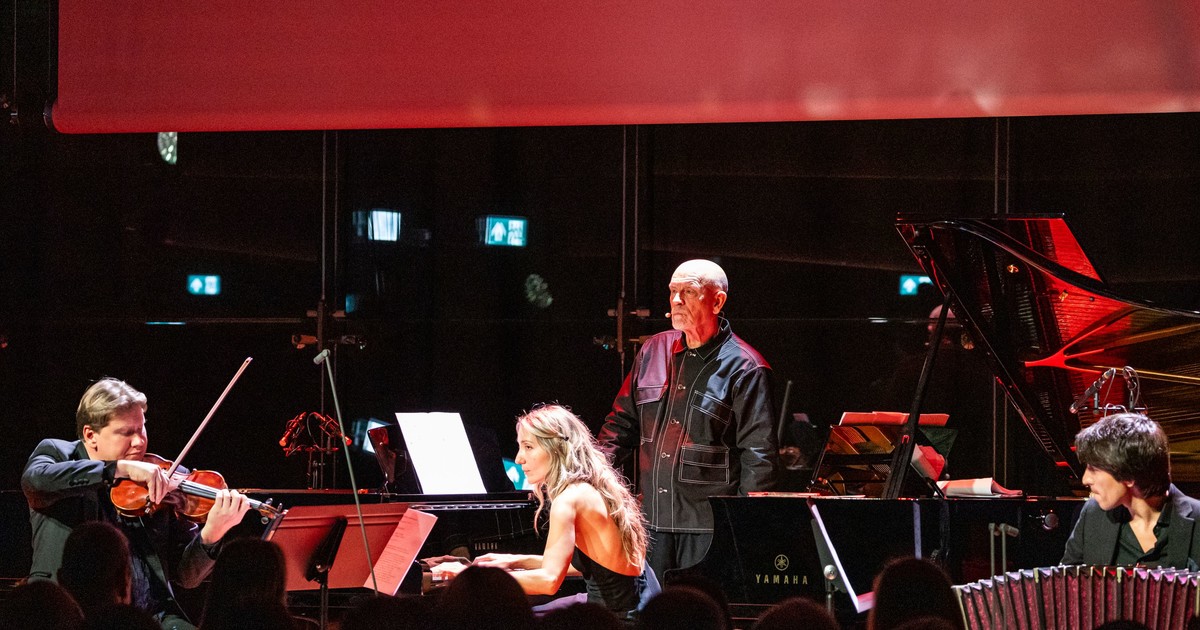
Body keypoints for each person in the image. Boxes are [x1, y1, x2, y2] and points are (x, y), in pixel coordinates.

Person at [597, 259, 778, 580]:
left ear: (717, 302)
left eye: (689, 292)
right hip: (650, 524)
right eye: (673, 291)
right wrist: (588, 483)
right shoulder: (652, 351)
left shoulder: (746, 367)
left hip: (708, 530)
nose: (677, 300)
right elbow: (619, 428)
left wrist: (740, 527)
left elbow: (759, 458)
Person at [21, 377, 251, 630]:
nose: (139, 441)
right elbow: (36, 481)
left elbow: (186, 576)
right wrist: (119, 468)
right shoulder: (58, 453)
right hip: (71, 613)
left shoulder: (160, 477)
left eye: (141, 429)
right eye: (126, 432)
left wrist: (212, 533)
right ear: (90, 435)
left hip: (151, 616)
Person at [439, 405, 659, 621]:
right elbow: (593, 566)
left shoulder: (569, 499)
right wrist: (515, 561)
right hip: (638, 600)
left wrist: (466, 577)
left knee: (512, 619)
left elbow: (549, 581)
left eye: (528, 447)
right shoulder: (589, 487)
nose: (519, 458)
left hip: (617, 617)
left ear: (556, 448)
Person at [1061, 412, 1200, 568]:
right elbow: (1067, 580)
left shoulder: (1197, 520)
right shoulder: (1093, 514)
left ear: (1128, 475)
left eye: (1094, 469)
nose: (1085, 479)